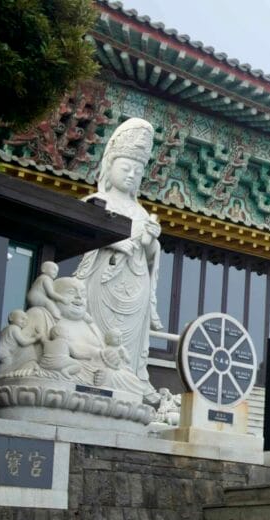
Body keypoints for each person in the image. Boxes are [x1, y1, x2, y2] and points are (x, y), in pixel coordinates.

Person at [75, 118, 163, 391]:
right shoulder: (95, 203)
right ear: (110, 164)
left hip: (135, 285)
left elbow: (150, 255)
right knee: (95, 334)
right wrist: (114, 242)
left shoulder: (141, 212)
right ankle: (88, 374)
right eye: (126, 168)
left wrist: (151, 242)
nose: (131, 175)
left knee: (128, 347)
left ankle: (127, 382)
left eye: (137, 172)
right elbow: (79, 237)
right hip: (102, 281)